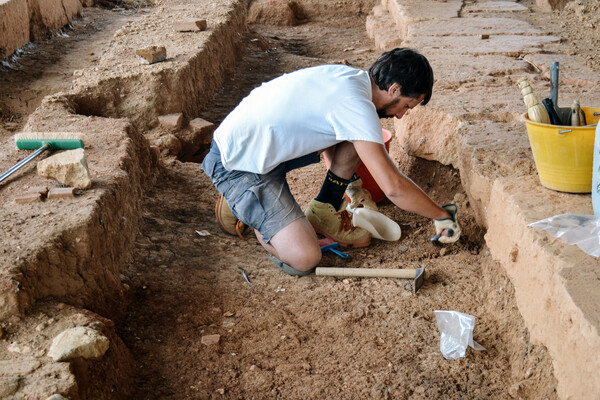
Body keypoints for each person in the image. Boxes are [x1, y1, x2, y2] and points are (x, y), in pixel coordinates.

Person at [202, 47, 461, 276]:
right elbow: (393, 187)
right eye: (406, 105)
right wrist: (441, 214)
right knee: (305, 258)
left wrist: (351, 184)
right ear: (394, 89)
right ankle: (242, 205)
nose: (402, 115)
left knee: (359, 136)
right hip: (237, 167)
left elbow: (345, 135)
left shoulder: (351, 80)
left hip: (260, 150)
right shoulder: (356, 106)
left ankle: (323, 209)